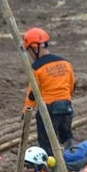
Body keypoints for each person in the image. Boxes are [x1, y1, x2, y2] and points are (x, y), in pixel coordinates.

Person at [23, 27, 75, 155]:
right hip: (66, 107)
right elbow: (72, 85)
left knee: (47, 145)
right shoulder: (66, 63)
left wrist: (26, 110)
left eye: (29, 51)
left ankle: (52, 170)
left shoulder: (37, 68)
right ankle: (71, 161)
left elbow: (33, 93)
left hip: (48, 111)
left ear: (35, 47)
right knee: (67, 138)